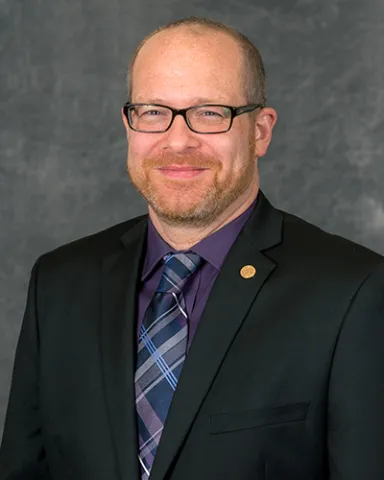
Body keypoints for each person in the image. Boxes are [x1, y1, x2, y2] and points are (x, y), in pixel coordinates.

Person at [1, 16, 384, 480]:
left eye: (209, 112)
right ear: (129, 125)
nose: (177, 140)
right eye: (154, 111)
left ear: (260, 131)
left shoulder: (354, 292)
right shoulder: (59, 283)